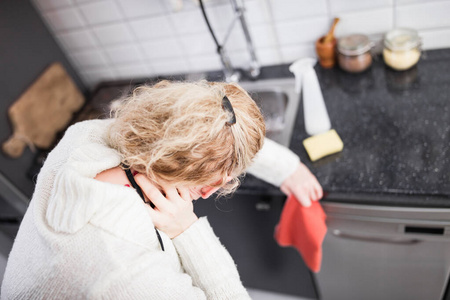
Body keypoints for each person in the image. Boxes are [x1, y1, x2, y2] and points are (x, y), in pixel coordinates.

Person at [1, 80, 321, 300]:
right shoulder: (124, 272)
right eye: (210, 183)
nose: (208, 194)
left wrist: (286, 167)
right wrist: (187, 230)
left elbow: (211, 131)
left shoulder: (85, 138)